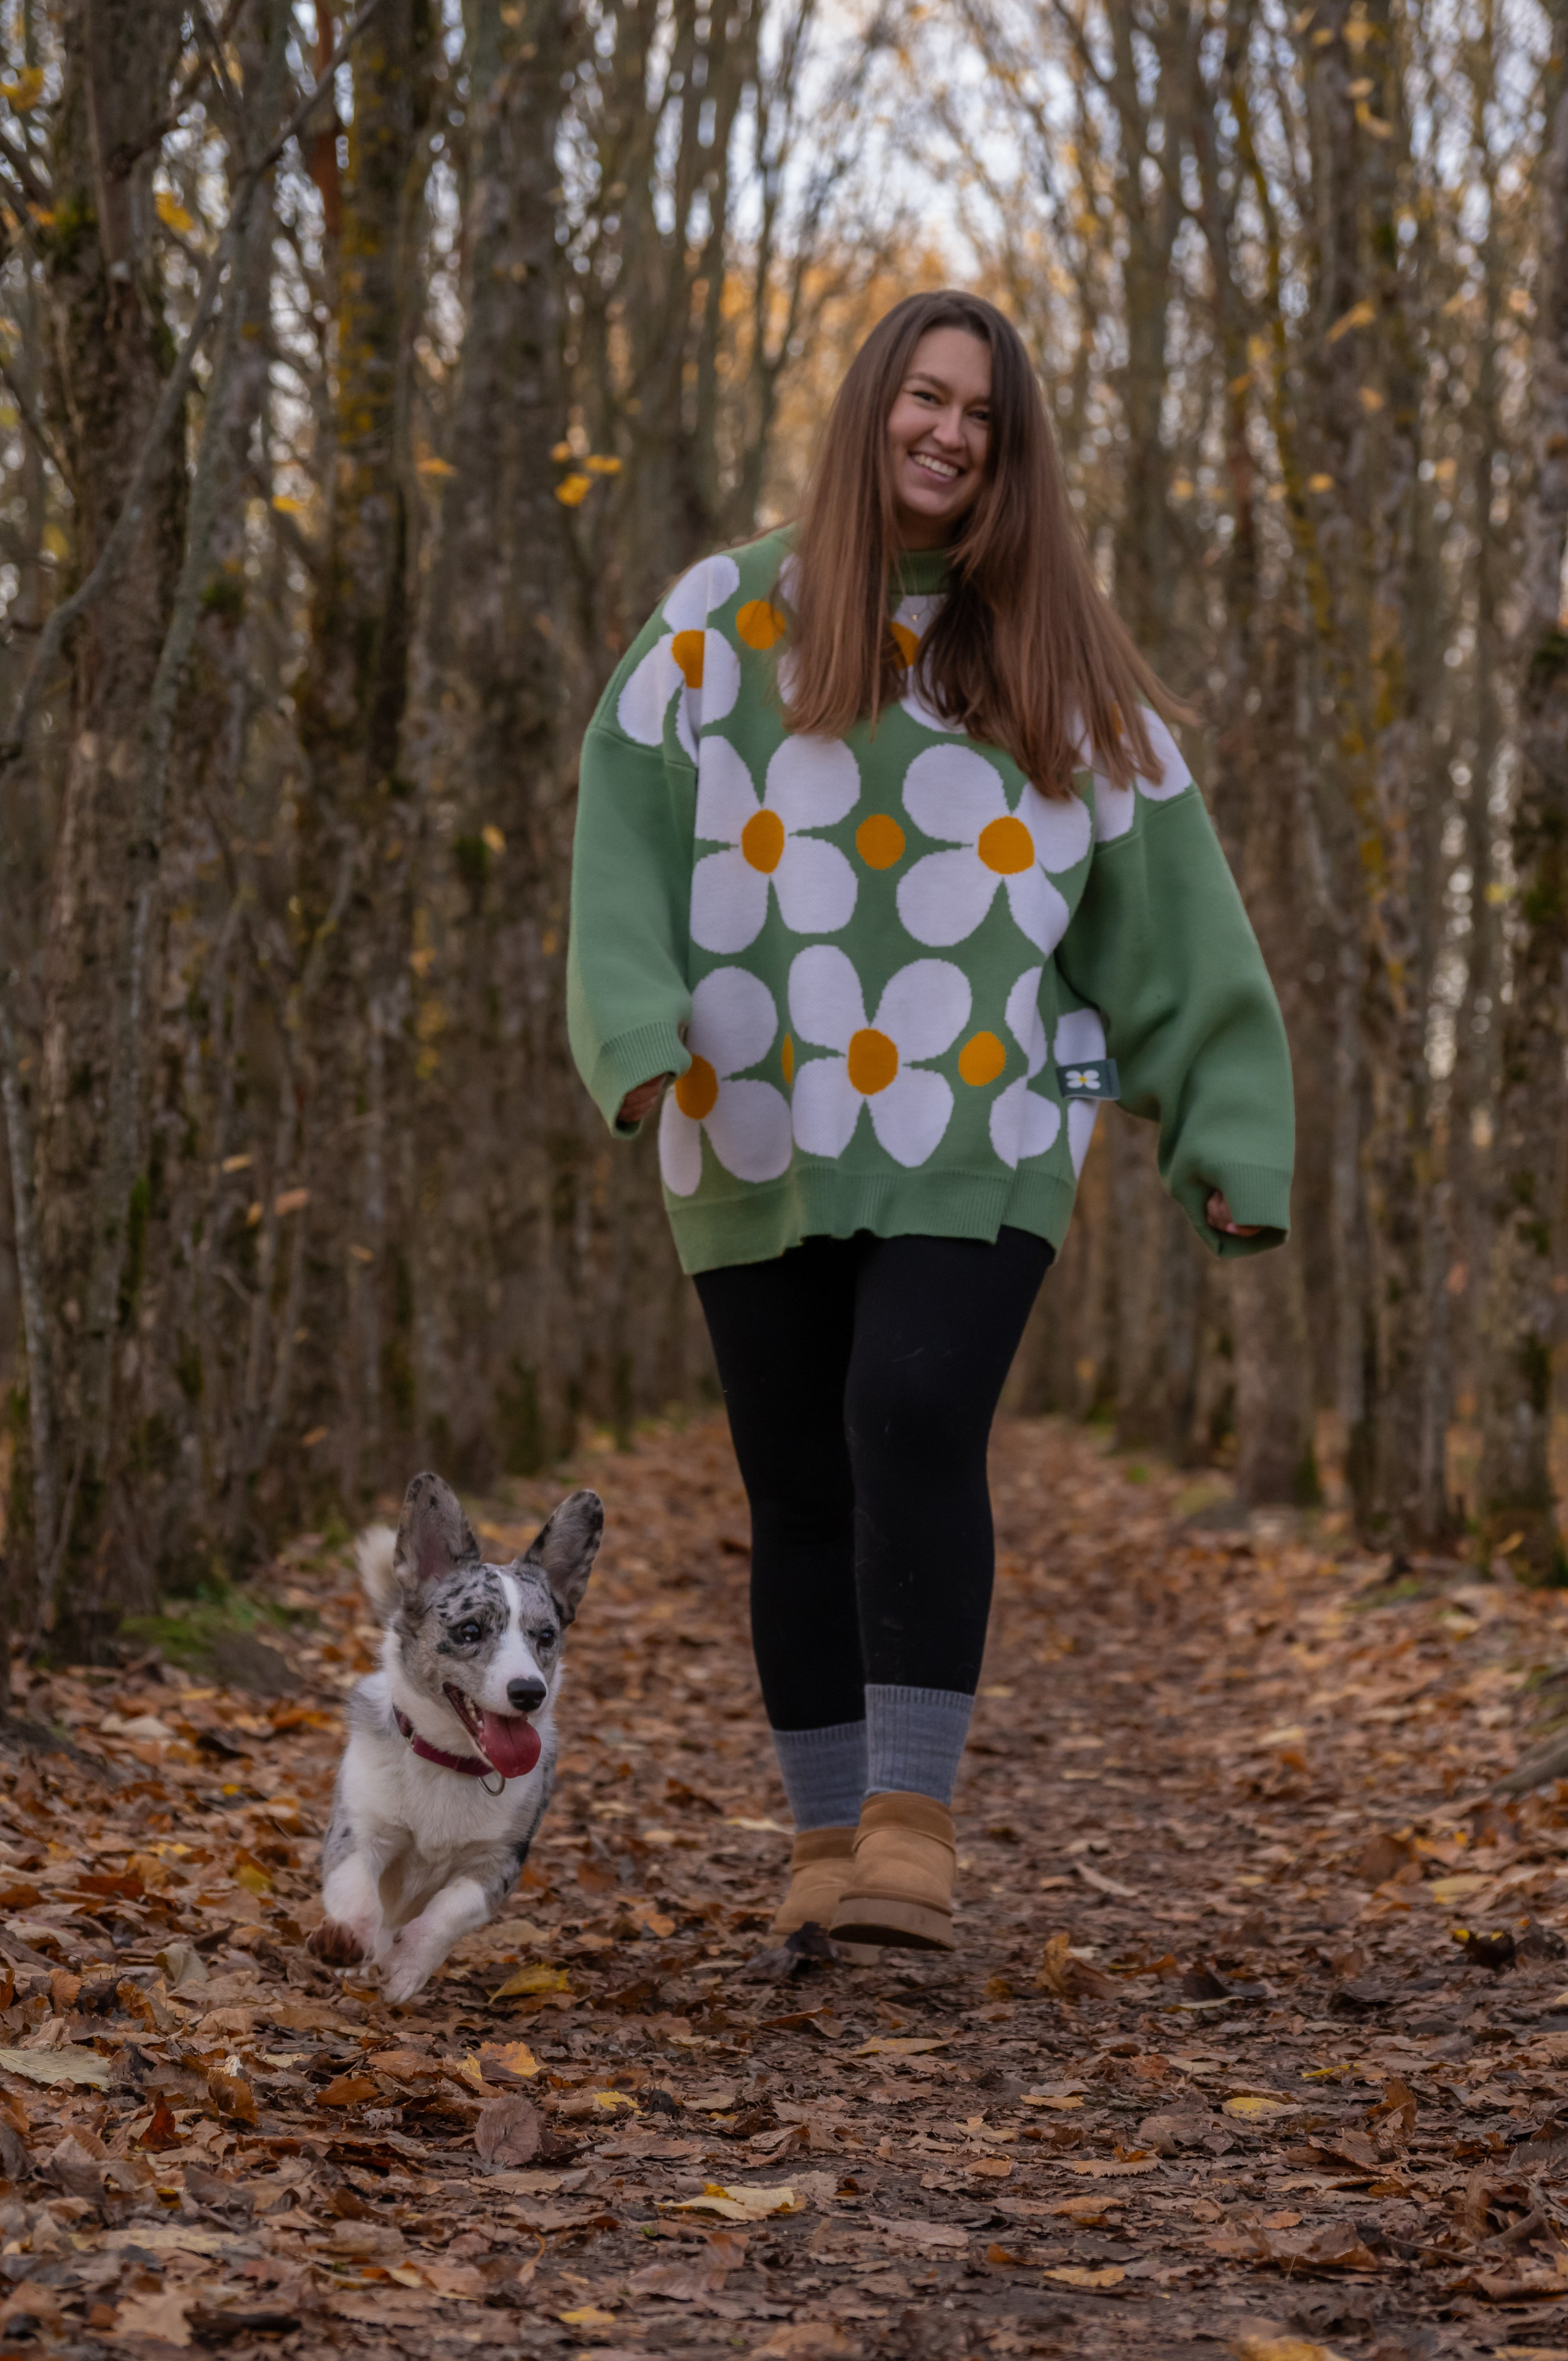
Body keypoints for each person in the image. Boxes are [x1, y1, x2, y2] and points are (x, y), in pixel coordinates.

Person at [566, 290, 1293, 1951]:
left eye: (983, 412)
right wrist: (625, 1026)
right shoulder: (717, 622)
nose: (949, 430)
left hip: (989, 1113)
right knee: (797, 1475)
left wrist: (1229, 1131)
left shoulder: (1056, 659)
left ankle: (910, 1830)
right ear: (871, 407)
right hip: (744, 1112)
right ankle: (825, 1849)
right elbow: (623, 822)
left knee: (909, 1413)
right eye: (924, 394)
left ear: (1010, 453)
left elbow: (1171, 909)